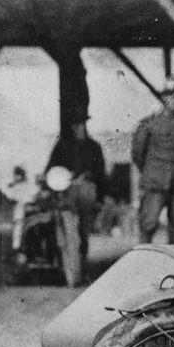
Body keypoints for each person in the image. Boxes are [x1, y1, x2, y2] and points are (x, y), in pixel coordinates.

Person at [131, 78, 174, 243]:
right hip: (154, 182)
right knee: (148, 224)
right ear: (162, 98)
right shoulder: (148, 124)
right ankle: (142, 262)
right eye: (168, 96)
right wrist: (152, 170)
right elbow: (137, 154)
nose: (173, 100)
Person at [45, 108, 108, 258]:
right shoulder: (62, 146)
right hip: (67, 193)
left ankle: (81, 248)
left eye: (82, 124)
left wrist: (101, 198)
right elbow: (51, 169)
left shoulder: (94, 147)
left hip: (87, 192)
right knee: (63, 218)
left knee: (84, 225)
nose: (79, 127)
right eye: (76, 124)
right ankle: (68, 250)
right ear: (71, 126)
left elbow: (101, 175)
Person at [6, 166, 38, 251]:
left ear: (21, 175)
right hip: (18, 208)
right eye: (15, 175)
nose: (16, 177)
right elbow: (11, 198)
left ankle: (27, 247)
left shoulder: (27, 185)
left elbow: (33, 196)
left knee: (27, 229)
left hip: (27, 208)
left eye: (18, 175)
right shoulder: (13, 186)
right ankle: (17, 247)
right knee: (18, 227)